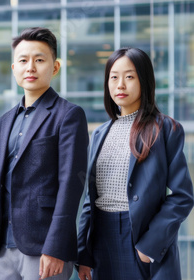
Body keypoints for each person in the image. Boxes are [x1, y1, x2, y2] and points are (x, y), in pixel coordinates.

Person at [0, 27, 89, 280]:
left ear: (55, 67)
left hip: (44, 250)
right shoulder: (4, 121)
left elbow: (71, 186)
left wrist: (55, 247)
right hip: (3, 249)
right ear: (14, 68)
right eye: (23, 60)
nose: (30, 67)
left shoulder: (68, 115)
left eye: (39, 60)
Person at [77, 47, 194, 280]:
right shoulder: (100, 133)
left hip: (141, 239)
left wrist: (148, 247)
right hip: (101, 241)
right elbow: (90, 200)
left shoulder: (165, 129)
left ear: (145, 81)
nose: (120, 84)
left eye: (129, 77)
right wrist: (83, 253)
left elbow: (183, 196)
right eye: (114, 77)